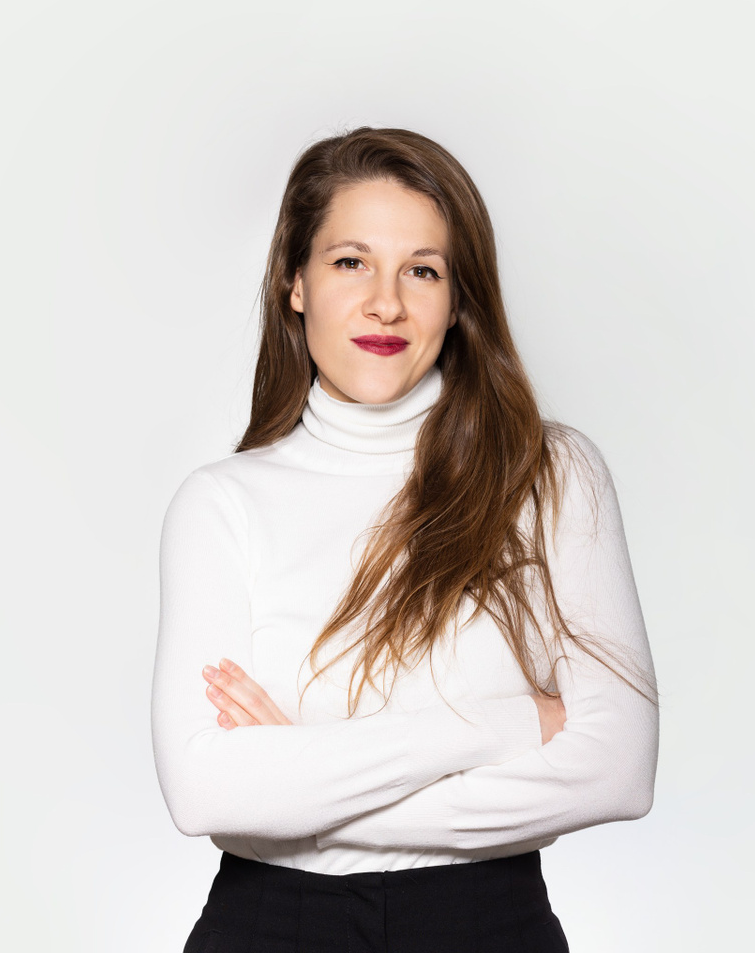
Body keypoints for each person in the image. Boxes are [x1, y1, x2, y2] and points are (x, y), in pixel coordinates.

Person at [151, 127, 659, 952]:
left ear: (458, 301)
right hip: (273, 928)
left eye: (422, 270)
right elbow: (204, 791)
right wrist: (504, 726)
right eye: (351, 262)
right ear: (295, 284)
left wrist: (300, 782)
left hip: (486, 925)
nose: (385, 302)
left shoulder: (548, 474)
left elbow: (619, 770)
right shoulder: (221, 504)